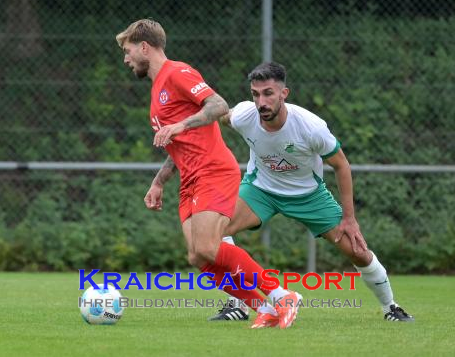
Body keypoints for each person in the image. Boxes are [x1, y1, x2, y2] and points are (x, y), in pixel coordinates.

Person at [115, 19, 302, 329]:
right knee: (198, 258)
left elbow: (217, 105)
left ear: (144, 47)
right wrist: (159, 181)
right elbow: (180, 145)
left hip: (212, 170)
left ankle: (281, 295)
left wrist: (182, 124)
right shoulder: (157, 88)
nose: (126, 58)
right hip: (189, 179)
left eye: (128, 50)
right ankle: (264, 308)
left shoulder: (177, 73)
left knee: (206, 247)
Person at [216, 61, 414, 323]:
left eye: (268, 93)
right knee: (214, 233)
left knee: (357, 251)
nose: (261, 101)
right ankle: (238, 303)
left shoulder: (310, 127)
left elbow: (341, 165)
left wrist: (349, 219)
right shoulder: (243, 115)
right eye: (255, 94)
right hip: (260, 189)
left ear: (284, 94)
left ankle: (391, 307)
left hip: (308, 196)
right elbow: (218, 115)